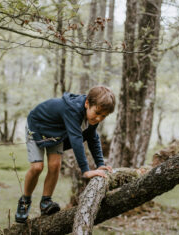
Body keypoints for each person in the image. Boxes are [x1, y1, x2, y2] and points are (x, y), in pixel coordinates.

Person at [15, 85, 116, 223]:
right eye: (97, 113)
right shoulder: (72, 109)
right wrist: (86, 171)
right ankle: (24, 202)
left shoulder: (92, 116)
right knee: (37, 167)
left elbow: (92, 137)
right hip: (37, 125)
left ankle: (46, 202)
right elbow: (76, 139)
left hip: (57, 132)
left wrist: (100, 165)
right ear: (87, 103)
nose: (98, 118)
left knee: (55, 165)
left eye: (103, 116)